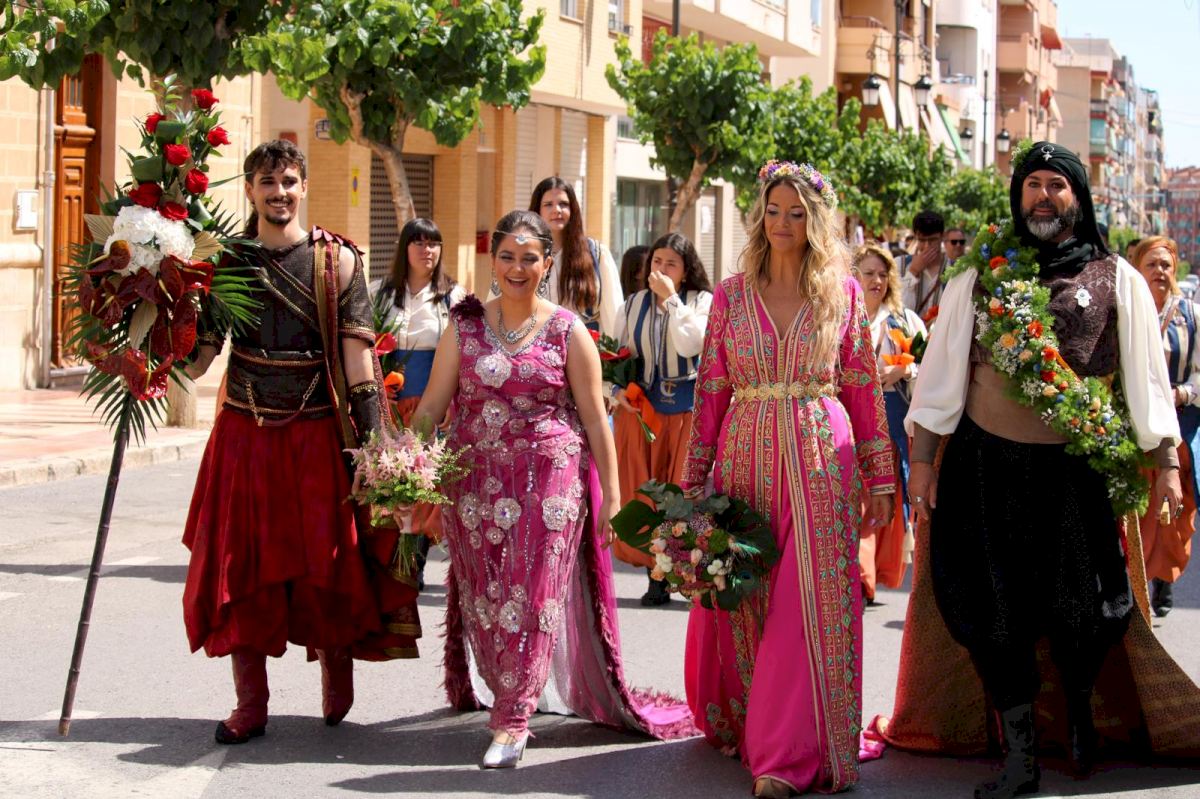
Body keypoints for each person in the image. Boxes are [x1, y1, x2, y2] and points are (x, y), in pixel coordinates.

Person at [890, 141, 1199, 798]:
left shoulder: (1116, 277)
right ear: (1018, 195)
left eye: (1057, 185)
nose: (1043, 197)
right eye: (1033, 184)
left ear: (1078, 197)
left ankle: (1081, 716)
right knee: (991, 609)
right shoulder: (980, 275)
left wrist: (1168, 464)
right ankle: (1021, 755)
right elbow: (942, 372)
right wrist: (922, 463)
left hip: (1075, 477)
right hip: (984, 471)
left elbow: (1146, 379)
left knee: (1087, 610)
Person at [413, 210, 694, 768]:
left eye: (529, 258)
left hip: (550, 487)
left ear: (547, 264)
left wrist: (613, 497)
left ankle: (513, 719)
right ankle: (508, 690)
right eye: (507, 257)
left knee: (535, 597)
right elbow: (430, 409)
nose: (517, 268)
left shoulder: (567, 330)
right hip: (474, 488)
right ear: (493, 260)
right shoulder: (463, 327)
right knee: (488, 599)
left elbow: (594, 420)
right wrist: (401, 467)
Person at [181, 140, 416, 744]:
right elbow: (202, 357)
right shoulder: (227, 263)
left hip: (316, 433)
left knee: (326, 564)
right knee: (241, 569)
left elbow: (359, 362)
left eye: (288, 181)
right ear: (250, 190)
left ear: (304, 187)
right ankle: (250, 703)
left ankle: (336, 671)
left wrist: (375, 450)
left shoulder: (338, 262)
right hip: (245, 434)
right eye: (267, 182)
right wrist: (149, 337)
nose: (278, 192)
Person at [682, 161, 895, 798]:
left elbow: (862, 385)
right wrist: (692, 484)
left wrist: (881, 476)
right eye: (774, 210)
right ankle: (758, 727)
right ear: (760, 216)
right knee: (750, 597)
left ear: (815, 222)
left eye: (797, 213)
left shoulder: (842, 294)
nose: (783, 223)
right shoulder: (730, 295)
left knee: (809, 603)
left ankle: (787, 755)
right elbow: (711, 389)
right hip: (744, 460)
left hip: (822, 462)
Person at [610, 233, 713, 606]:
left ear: (686, 270)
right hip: (643, 411)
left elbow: (692, 345)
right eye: (657, 261)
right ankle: (655, 574)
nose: (662, 269)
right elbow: (615, 353)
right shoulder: (632, 304)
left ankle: (680, 571)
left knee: (680, 493)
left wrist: (671, 300)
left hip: (686, 410)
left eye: (671, 263)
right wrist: (616, 391)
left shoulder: (700, 302)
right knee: (643, 492)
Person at [369, 218, 466, 590]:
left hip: (432, 406)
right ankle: (389, 558)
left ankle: (415, 563)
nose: (427, 250)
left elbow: (462, 355)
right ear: (404, 248)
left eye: (434, 243)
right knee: (388, 479)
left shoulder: (454, 298)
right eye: (419, 242)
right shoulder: (380, 293)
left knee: (425, 482)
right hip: (390, 404)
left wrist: (450, 402)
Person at [853, 243, 927, 604]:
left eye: (883, 274)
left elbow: (929, 368)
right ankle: (859, 575)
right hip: (850, 422)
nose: (877, 280)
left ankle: (869, 574)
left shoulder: (905, 320)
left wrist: (904, 370)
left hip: (891, 422)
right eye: (868, 273)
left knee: (884, 498)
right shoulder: (839, 319)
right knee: (856, 499)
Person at [1133, 235, 1197, 617]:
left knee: (1177, 508)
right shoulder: (1126, 313)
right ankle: (1140, 579)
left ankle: (1165, 578)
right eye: (1151, 264)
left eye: (1165, 265)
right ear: (1138, 269)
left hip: (1180, 430)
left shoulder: (1191, 315)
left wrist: (1182, 394)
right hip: (1139, 431)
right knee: (1140, 507)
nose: (1159, 271)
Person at [528, 177, 624, 337]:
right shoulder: (524, 255)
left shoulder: (596, 253)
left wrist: (613, 349)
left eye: (563, 204)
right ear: (537, 210)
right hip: (534, 347)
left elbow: (613, 314)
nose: (557, 210)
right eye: (548, 204)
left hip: (583, 347)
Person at [900, 210, 949, 324]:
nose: (927, 246)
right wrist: (912, 271)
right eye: (922, 240)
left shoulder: (952, 268)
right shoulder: (900, 264)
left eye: (932, 240)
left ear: (942, 237)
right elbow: (898, 306)